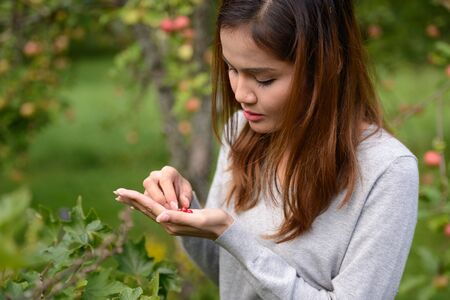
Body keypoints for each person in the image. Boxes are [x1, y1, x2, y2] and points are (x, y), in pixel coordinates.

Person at [114, 0, 419, 299]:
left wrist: (232, 234)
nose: (241, 94)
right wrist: (184, 210)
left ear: (329, 64)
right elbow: (228, 278)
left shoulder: (388, 171)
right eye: (232, 69)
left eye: (264, 79)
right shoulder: (240, 132)